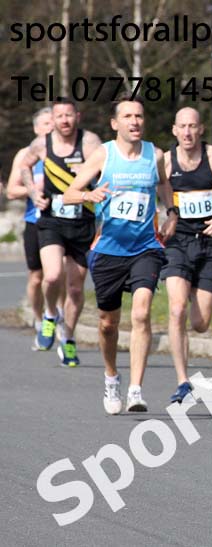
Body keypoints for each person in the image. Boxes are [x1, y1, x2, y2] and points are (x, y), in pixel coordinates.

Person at [63, 94, 178, 414]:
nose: (135, 121)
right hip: (109, 250)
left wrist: (171, 212)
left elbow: (164, 184)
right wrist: (89, 195)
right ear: (115, 123)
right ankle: (112, 377)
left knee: (141, 313)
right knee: (107, 324)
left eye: (139, 116)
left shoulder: (154, 154)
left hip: (146, 247)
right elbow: (70, 193)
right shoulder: (103, 155)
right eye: (128, 116)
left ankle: (135, 389)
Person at [161, 107, 212, 404]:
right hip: (178, 242)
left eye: (192, 126)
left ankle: (191, 288)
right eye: (182, 126)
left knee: (200, 323)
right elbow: (161, 188)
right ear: (174, 130)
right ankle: (182, 381)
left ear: (201, 129)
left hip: (211, 244)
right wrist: (170, 213)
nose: (187, 132)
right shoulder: (166, 161)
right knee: (176, 309)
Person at [18, 98, 102, 366]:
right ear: (52, 120)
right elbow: (24, 165)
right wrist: (33, 192)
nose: (64, 120)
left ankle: (68, 338)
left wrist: (90, 176)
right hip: (52, 219)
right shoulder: (42, 144)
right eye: (59, 116)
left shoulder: (89, 142)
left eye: (69, 115)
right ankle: (50, 315)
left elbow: (106, 170)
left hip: (82, 221)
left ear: (78, 116)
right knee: (52, 275)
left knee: (75, 289)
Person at [5, 108, 67, 346]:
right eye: (45, 124)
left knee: (59, 273)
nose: (51, 127)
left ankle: (59, 317)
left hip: (63, 220)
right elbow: (12, 190)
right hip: (35, 221)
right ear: (35, 129)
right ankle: (40, 320)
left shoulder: (66, 151)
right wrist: (35, 190)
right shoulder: (26, 154)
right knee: (36, 277)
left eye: (53, 122)